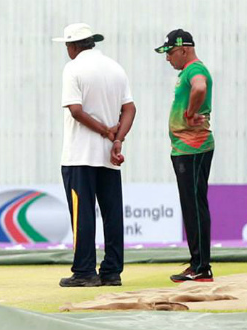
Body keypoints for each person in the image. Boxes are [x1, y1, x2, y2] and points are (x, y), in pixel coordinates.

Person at [52, 23, 136, 287]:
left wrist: (104, 132)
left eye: (67, 45)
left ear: (74, 46)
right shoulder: (115, 67)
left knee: (82, 213)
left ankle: (85, 271)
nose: (67, 50)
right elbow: (130, 108)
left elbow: (75, 111)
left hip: (79, 155)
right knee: (112, 214)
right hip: (108, 157)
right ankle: (112, 272)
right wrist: (117, 138)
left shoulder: (73, 68)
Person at [154, 29, 215, 283]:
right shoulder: (187, 72)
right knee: (192, 205)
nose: (168, 58)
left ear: (184, 49)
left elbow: (200, 87)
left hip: (193, 149)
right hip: (187, 149)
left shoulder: (194, 70)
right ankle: (197, 262)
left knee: (194, 206)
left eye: (169, 52)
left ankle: (201, 266)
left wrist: (190, 114)